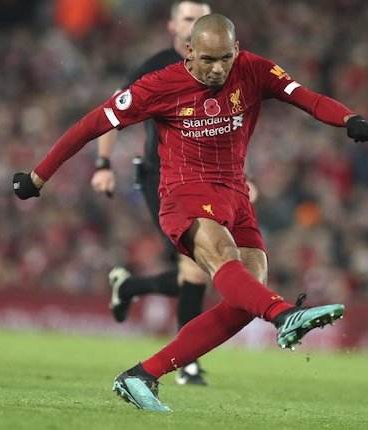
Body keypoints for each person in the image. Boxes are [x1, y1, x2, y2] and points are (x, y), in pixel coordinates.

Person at [12, 13, 368, 412]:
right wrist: (37, 177)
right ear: (190, 51)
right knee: (225, 258)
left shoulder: (254, 70)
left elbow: (305, 97)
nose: (218, 68)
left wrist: (348, 118)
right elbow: (90, 125)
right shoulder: (158, 85)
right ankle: (285, 314)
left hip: (236, 195)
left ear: (236, 50)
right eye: (208, 60)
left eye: (225, 58)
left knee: (247, 294)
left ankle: (142, 374)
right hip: (185, 193)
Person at [91, 0, 212, 387]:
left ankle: (129, 286)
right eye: (189, 19)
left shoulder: (218, 68)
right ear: (172, 27)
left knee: (202, 268)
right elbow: (111, 114)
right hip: (161, 179)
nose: (195, 26)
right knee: (196, 266)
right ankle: (188, 364)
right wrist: (103, 165)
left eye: (201, 20)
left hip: (204, 179)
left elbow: (226, 131)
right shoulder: (154, 68)